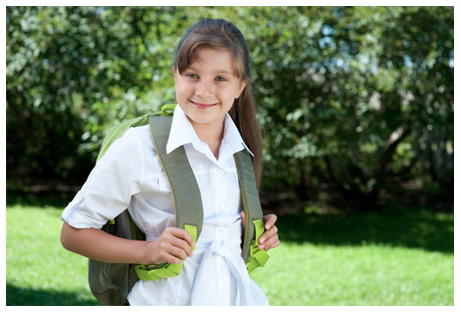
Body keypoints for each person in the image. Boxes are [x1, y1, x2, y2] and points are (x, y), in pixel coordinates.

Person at [60, 18, 280, 306]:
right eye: (192, 75)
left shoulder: (240, 151)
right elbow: (73, 233)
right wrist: (148, 251)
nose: (203, 91)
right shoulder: (139, 146)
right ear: (175, 75)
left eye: (221, 78)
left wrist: (254, 233)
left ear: (240, 86)